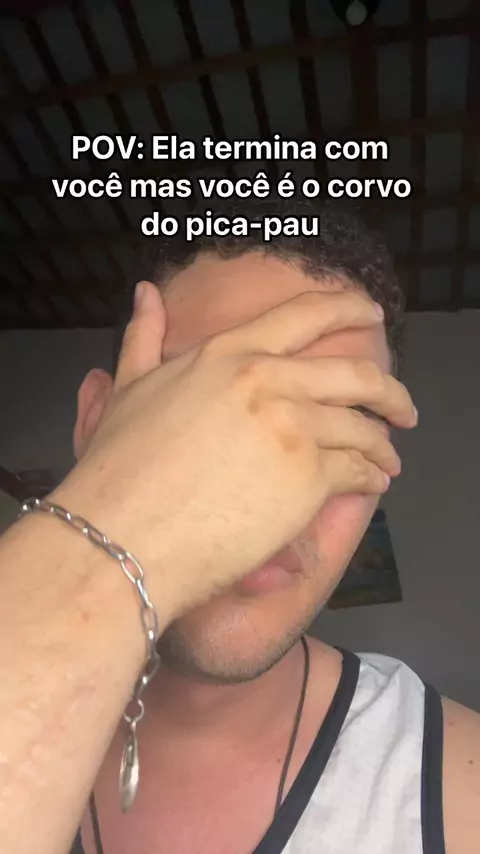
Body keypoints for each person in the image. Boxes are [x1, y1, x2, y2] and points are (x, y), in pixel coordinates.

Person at [0, 198, 478, 854]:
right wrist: (106, 522)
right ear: (95, 421)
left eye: (339, 424)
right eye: (204, 406)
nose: (266, 498)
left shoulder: (458, 790)